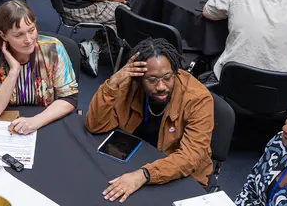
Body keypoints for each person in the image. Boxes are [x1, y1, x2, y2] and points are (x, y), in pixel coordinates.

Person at [86, 38, 214, 202]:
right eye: (152, 80)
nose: (161, 86)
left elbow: (190, 158)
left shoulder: (198, 99)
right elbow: (95, 125)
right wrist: (112, 84)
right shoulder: (130, 84)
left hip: (177, 172)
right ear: (139, 78)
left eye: (167, 77)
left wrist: (144, 175)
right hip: (137, 159)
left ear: (175, 72)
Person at [0, 0, 78, 134]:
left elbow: (69, 98)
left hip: (44, 119)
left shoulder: (53, 49)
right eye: (19, 35)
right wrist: (14, 71)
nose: (29, 40)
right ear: (3, 35)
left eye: (32, 30)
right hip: (8, 124)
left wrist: (35, 121)